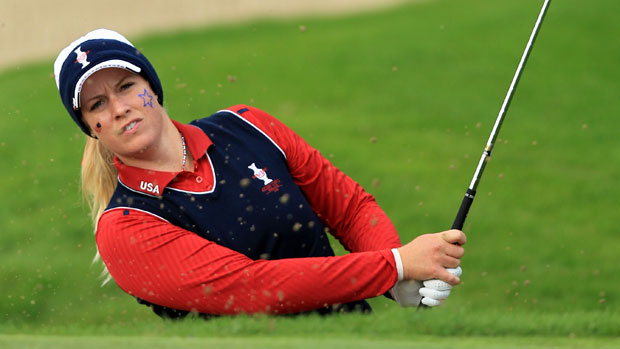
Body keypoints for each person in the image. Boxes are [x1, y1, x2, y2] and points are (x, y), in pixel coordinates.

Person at [54, 29, 466, 319]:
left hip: (352, 334)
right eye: (97, 105)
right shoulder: (125, 227)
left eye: (126, 86)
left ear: (151, 85)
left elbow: (349, 208)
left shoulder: (247, 126)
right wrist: (392, 266)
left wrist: (397, 281)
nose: (119, 108)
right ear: (91, 128)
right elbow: (252, 288)